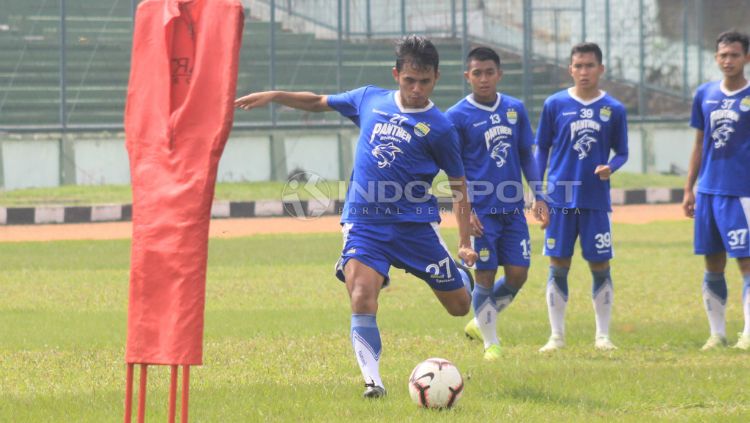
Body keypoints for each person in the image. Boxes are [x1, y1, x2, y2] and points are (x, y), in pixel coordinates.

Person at [235, 35, 478, 397]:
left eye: (424, 82)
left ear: (436, 79)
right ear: (396, 74)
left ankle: (461, 276)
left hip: (414, 228)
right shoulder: (369, 98)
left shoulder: (440, 128)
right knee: (362, 293)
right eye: (409, 80)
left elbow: (458, 184)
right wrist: (274, 95)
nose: (416, 89)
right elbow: (318, 102)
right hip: (365, 223)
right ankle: (373, 382)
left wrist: (464, 242)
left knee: (460, 307)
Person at [445, 47, 548, 361]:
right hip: (481, 212)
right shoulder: (456, 116)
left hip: (513, 210)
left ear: (499, 74)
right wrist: (467, 211)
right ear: (468, 77)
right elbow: (454, 169)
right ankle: (491, 342)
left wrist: (539, 194)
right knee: (485, 275)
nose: (484, 78)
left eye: (489, 72)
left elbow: (526, 155)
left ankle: (480, 321)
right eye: (477, 73)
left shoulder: (515, 109)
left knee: (519, 274)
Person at [534, 42, 628, 352]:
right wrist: (539, 193)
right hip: (559, 199)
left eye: (590, 65)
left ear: (601, 69)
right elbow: (542, 148)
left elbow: (623, 152)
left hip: (595, 200)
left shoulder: (614, 109)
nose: (584, 71)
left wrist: (610, 167)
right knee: (558, 263)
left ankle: (602, 335)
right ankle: (556, 336)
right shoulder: (555, 104)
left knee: (600, 264)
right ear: (570, 69)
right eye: (578, 66)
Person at [683, 30, 750, 351]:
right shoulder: (705, 94)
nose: (728, 61)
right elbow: (699, 143)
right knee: (712, 263)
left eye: (734, 55)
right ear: (716, 58)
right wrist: (689, 188)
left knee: (746, 262)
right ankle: (717, 333)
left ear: (746, 58)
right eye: (723, 55)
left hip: (742, 193)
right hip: (708, 191)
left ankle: (748, 332)